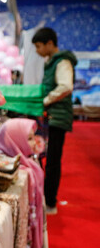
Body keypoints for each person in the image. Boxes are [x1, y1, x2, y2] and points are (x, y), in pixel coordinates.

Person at [0, 118, 46, 248]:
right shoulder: (7, 165)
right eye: (29, 139)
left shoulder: (29, 163)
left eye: (33, 137)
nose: (34, 143)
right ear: (14, 140)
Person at [32, 27, 77, 214]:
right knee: (44, 157)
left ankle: (50, 203)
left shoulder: (62, 61)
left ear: (50, 43)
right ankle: (44, 198)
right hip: (50, 117)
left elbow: (66, 86)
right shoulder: (51, 62)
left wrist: (46, 100)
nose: (37, 51)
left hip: (58, 118)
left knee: (52, 161)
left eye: (39, 46)